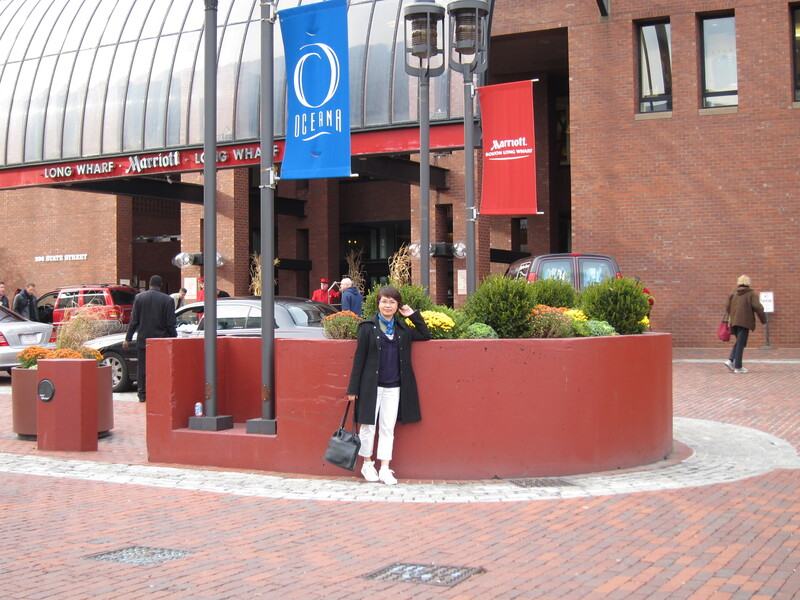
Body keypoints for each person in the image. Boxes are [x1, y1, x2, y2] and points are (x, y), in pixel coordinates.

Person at [346, 286, 430, 485]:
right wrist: (353, 388)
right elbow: (359, 359)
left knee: (387, 428)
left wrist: (412, 315)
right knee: (368, 426)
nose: (388, 305)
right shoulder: (367, 327)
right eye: (384, 301)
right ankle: (367, 464)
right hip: (371, 387)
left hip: (394, 387)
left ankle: (384, 468)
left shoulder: (402, 328)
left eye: (392, 302)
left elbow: (425, 334)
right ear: (378, 303)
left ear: (397, 305)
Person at [123, 275, 177, 402]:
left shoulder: (139, 298)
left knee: (142, 368)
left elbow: (134, 320)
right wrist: (174, 337)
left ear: (149, 284)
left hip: (144, 340)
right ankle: (159, 393)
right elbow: (170, 323)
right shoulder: (168, 300)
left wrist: (127, 338)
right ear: (161, 285)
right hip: (161, 341)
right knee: (161, 368)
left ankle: (142, 394)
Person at [724, 275, 766, 375]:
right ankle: (738, 367)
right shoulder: (751, 294)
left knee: (740, 342)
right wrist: (764, 320)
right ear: (748, 282)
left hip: (734, 321)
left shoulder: (733, 293)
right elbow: (758, 307)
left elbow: (727, 306)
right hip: (744, 321)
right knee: (741, 344)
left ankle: (730, 360)